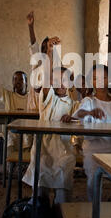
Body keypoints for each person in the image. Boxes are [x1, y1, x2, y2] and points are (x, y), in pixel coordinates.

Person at [22, 36, 79, 204]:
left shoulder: (73, 104)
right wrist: (49, 53)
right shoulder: (48, 98)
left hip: (65, 154)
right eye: (56, 80)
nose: (60, 83)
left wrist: (74, 118)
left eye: (64, 80)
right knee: (40, 198)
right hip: (43, 152)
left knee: (63, 201)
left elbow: (80, 119)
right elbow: (46, 78)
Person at [68, 64, 111, 201]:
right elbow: (79, 114)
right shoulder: (89, 101)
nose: (100, 81)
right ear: (91, 81)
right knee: (93, 183)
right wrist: (90, 112)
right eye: (95, 78)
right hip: (93, 150)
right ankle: (94, 210)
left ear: (110, 80)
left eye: (104, 77)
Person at [0, 61, 30, 151]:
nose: (18, 82)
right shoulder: (8, 96)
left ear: (26, 82)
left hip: (27, 127)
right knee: (10, 137)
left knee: (29, 137)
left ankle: (25, 161)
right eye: (15, 79)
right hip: (11, 128)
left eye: (21, 79)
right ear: (12, 82)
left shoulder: (31, 97)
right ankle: (10, 162)